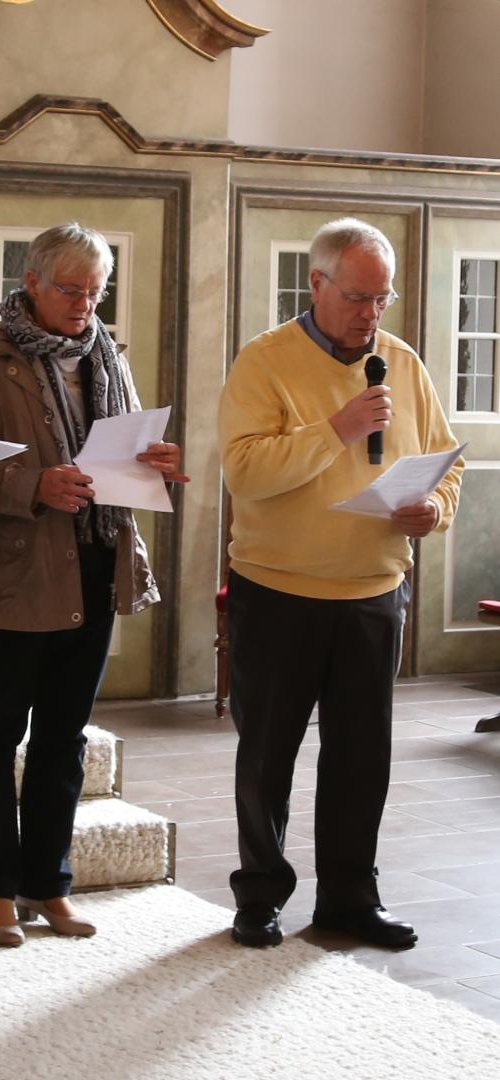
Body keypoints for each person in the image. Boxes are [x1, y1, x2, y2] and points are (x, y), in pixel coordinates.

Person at [219, 218, 463, 951]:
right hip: (279, 590)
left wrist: (435, 510)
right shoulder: (264, 362)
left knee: (362, 756)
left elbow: (447, 462)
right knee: (268, 754)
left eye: (382, 298)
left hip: (373, 591)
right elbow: (246, 471)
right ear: (317, 283)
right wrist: (338, 427)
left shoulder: (403, 363)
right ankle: (260, 896)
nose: (372, 313)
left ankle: (350, 900)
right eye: (358, 296)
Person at [0, 223, 185, 946]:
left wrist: (157, 461)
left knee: (63, 735)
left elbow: (125, 450)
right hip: (14, 568)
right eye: (71, 290)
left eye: (96, 291)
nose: (85, 304)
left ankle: (48, 883)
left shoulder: (107, 355)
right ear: (32, 286)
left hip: (94, 558)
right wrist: (33, 484)